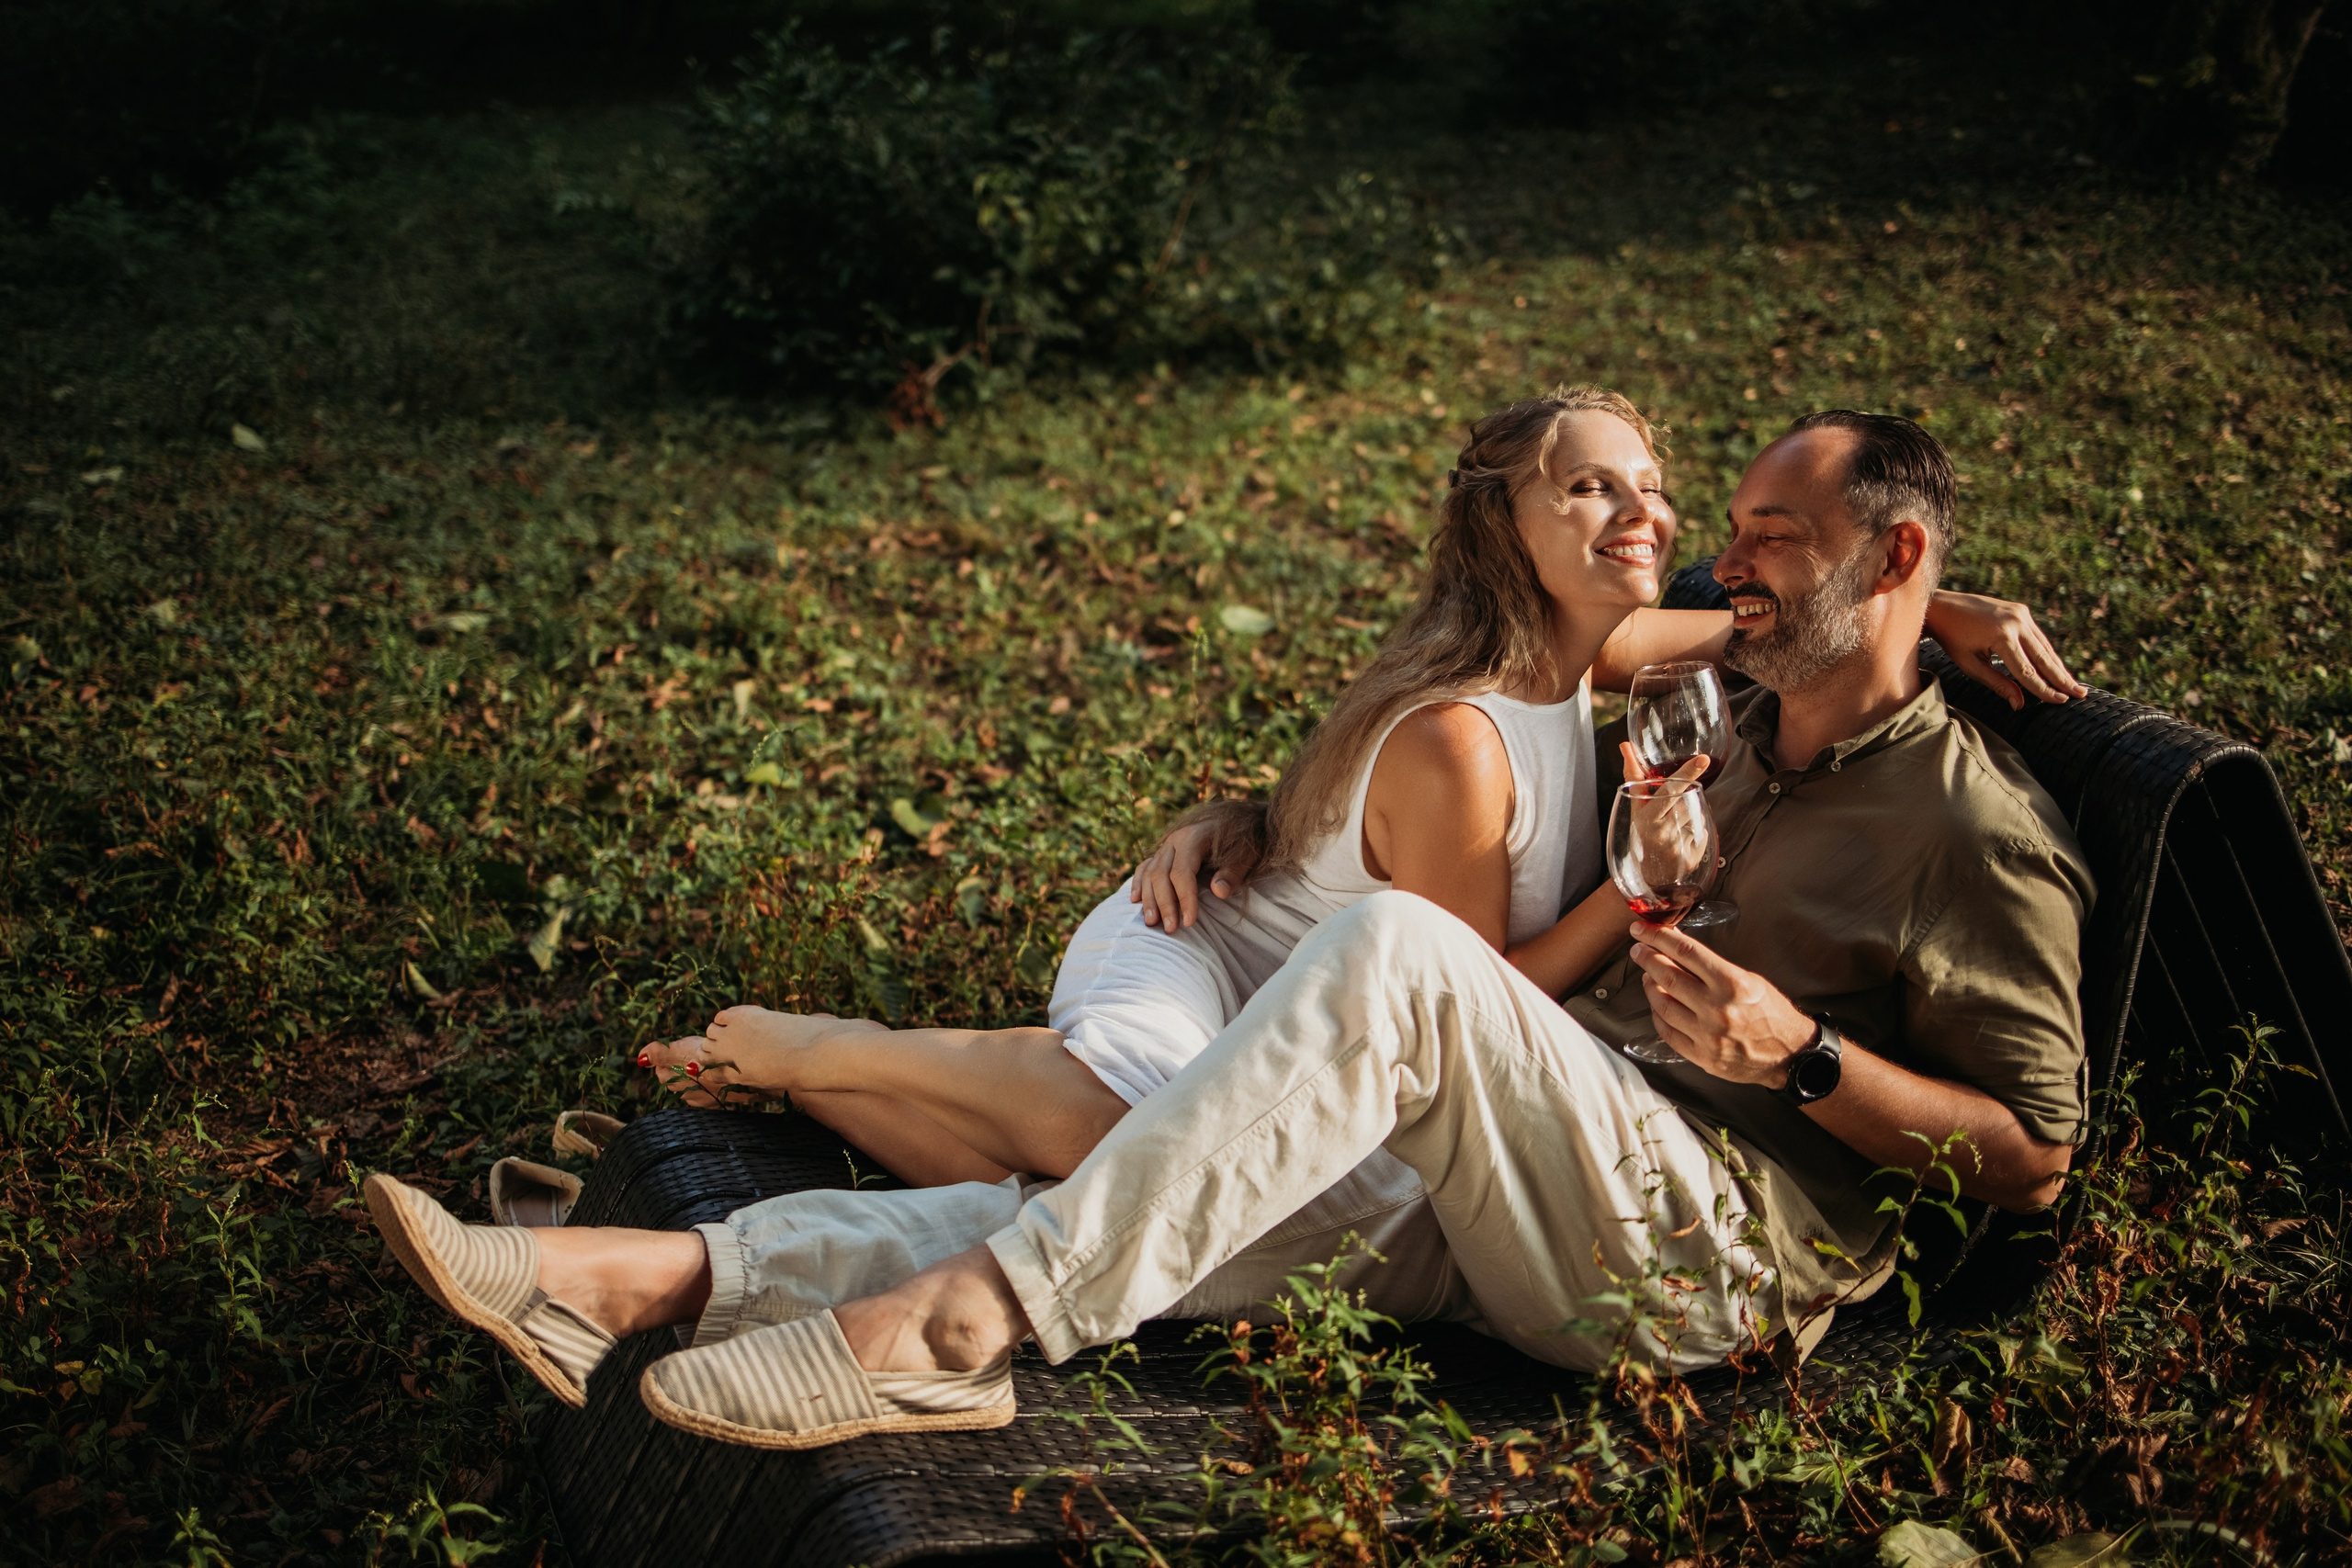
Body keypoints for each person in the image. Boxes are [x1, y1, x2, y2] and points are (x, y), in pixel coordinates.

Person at [366, 408, 2097, 1450]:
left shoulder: (1966, 830)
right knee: (1176, 1181)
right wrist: (1244, 819)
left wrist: (1802, 1062)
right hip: (1544, 1159)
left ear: (1896, 555)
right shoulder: (1732, 704)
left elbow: (2031, 1163)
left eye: (1769, 546)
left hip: (1709, 1250)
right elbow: (1663, 643)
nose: (1724, 573)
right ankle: (626, 1279)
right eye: (1727, 541)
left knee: (1392, 971)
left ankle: (954, 1341)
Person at [630, 390, 2077, 1191]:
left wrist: (1939, 607)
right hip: (1208, 954)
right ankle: (822, 1046)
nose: (1652, 517)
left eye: (1652, 486)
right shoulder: (1470, 728)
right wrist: (1640, 894)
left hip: (1293, 971)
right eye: (1589, 490)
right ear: (1508, 530)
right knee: (1144, 1150)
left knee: (1087, 1184)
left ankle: (806, 1088)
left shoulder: (1596, 661)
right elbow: (1477, 984)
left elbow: (1781, 619)